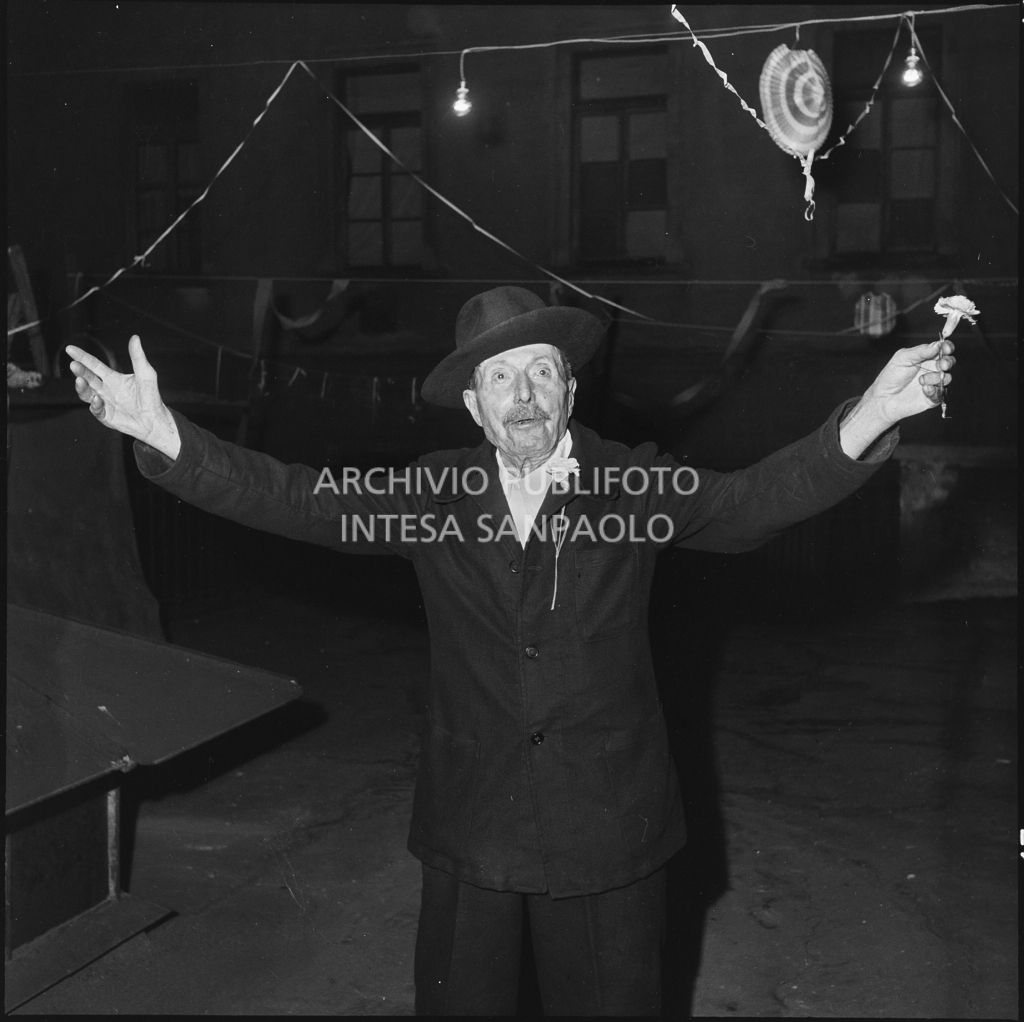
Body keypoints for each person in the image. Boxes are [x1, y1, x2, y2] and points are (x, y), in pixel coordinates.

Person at [66, 285, 955, 1016]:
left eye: (541, 373)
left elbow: (754, 500)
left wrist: (875, 409)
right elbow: (299, 499)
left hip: (610, 830)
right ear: (473, 405)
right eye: (502, 378)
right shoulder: (432, 495)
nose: (524, 396)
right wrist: (162, 435)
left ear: (570, 390)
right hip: (474, 827)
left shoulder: (631, 485)